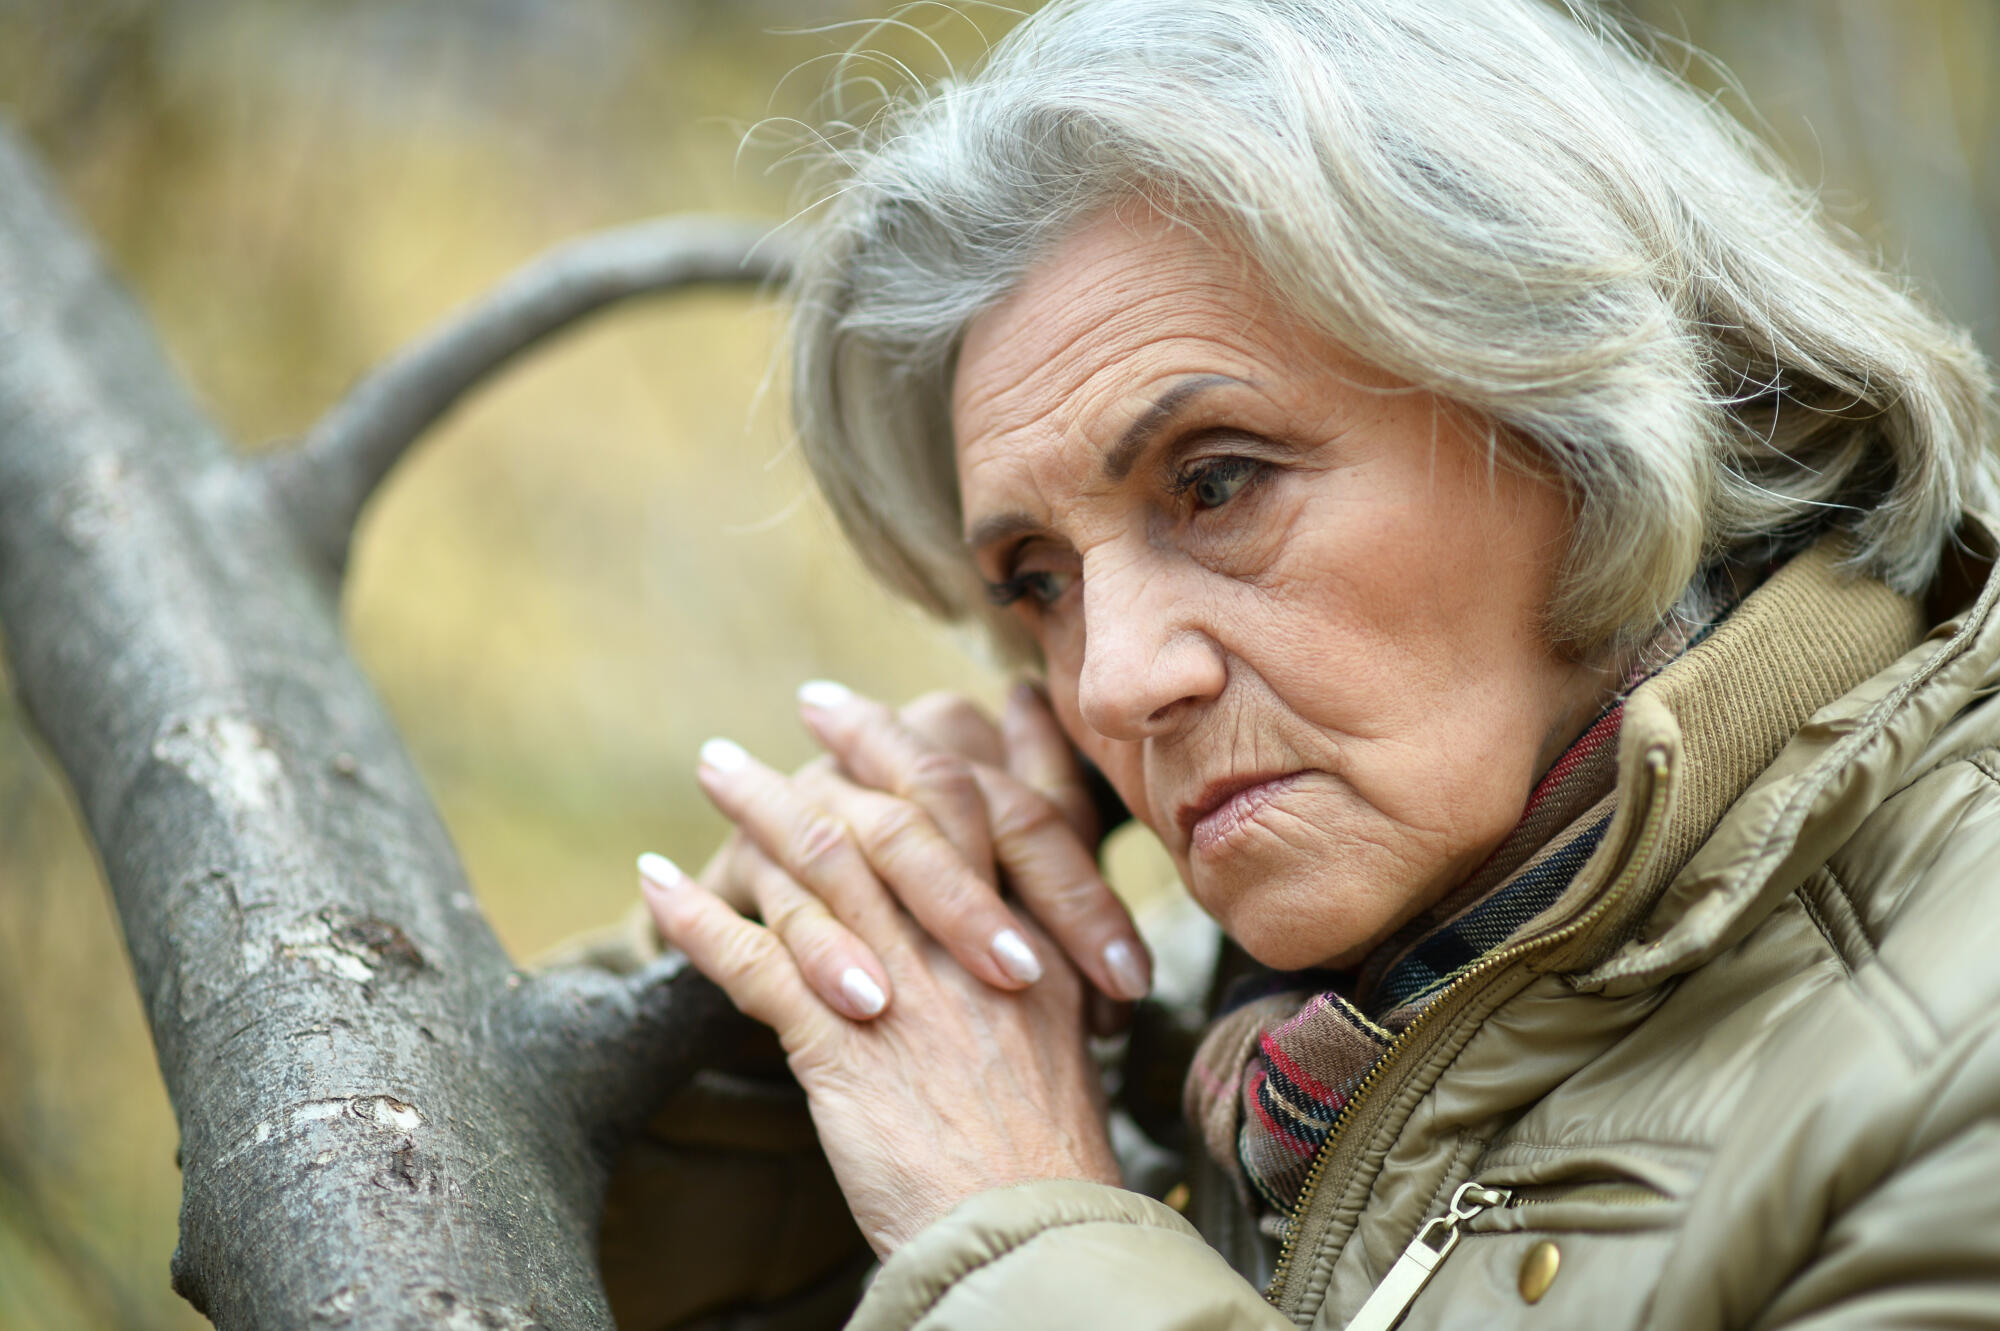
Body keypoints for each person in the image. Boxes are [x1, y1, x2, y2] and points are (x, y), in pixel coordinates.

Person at [628, 0, 2000, 1326]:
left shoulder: (1962, 1036)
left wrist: (1018, 1235)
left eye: (1217, 484)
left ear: (1585, 419)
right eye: (1039, 582)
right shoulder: (1199, 1023)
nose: (1111, 684)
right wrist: (765, 1036)